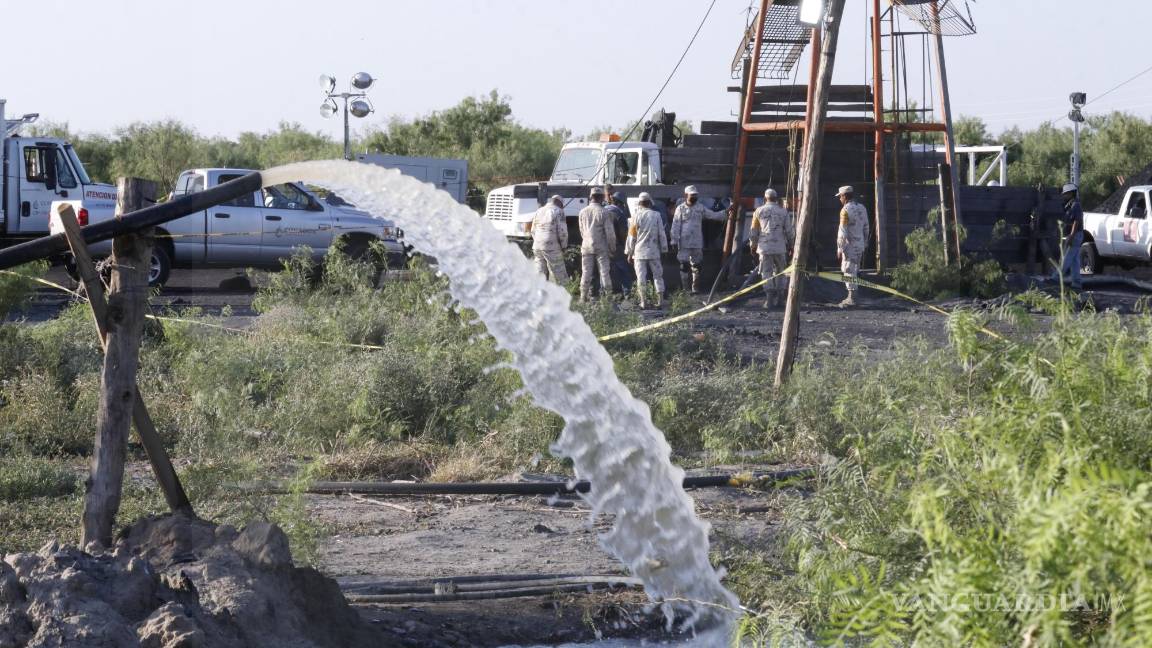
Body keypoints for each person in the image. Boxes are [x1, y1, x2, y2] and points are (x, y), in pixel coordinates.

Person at [670, 185, 730, 293]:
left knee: (697, 265)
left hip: (697, 242)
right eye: (692, 195)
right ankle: (685, 288)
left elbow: (713, 215)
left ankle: (695, 287)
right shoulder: (680, 208)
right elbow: (675, 225)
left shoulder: (700, 207)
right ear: (686, 195)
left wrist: (726, 212)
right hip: (684, 242)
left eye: (695, 195)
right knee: (684, 265)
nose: (694, 197)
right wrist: (674, 240)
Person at [748, 188, 795, 308]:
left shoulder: (758, 211)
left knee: (766, 272)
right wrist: (792, 245)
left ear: (765, 198)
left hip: (764, 247)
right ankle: (780, 300)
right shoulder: (783, 212)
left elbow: (754, 231)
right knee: (781, 272)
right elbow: (789, 231)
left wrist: (753, 245)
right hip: (780, 247)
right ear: (776, 198)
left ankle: (769, 300)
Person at [625, 192, 669, 309]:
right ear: (649, 202)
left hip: (639, 253)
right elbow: (661, 234)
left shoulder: (635, 216)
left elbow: (632, 236)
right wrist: (664, 249)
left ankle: (643, 302)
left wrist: (629, 252)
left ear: (639, 203)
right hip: (654, 252)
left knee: (641, 278)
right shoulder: (657, 215)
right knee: (658, 276)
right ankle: (660, 300)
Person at [578, 187, 616, 301]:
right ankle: (608, 298)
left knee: (586, 272)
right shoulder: (605, 212)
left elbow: (581, 230)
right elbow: (610, 234)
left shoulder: (582, 212)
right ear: (602, 198)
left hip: (586, 245)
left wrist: (586, 240)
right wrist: (612, 248)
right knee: (604, 272)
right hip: (601, 246)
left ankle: (582, 297)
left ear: (591, 197)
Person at [835, 185, 870, 307]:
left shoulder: (845, 211)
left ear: (844, 196)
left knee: (848, 270)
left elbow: (842, 232)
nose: (839, 199)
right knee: (855, 270)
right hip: (859, 244)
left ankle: (852, 298)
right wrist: (865, 242)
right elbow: (866, 227)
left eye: (840, 197)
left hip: (849, 246)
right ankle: (854, 296)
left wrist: (839, 248)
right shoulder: (862, 208)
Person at [528, 195, 568, 284]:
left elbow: (533, 230)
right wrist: (564, 246)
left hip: (537, 246)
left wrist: (538, 241)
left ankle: (539, 294)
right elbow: (563, 232)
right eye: (562, 205)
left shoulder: (539, 210)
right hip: (551, 247)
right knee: (559, 274)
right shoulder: (559, 211)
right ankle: (562, 295)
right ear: (559, 203)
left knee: (540, 273)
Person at [1054, 183, 1084, 290]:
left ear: (1071, 194)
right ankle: (1077, 283)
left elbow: (1076, 221)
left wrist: (1071, 235)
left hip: (1075, 235)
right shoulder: (1070, 205)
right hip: (1074, 235)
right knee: (1075, 260)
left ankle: (1056, 277)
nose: (1064, 196)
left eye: (1065, 194)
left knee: (1067, 258)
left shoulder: (1076, 205)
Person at [605, 191, 634, 293]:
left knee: (604, 272)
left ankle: (605, 294)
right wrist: (625, 246)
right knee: (624, 270)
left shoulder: (603, 210)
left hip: (603, 247)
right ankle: (627, 294)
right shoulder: (619, 214)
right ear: (620, 203)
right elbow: (623, 233)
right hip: (617, 247)